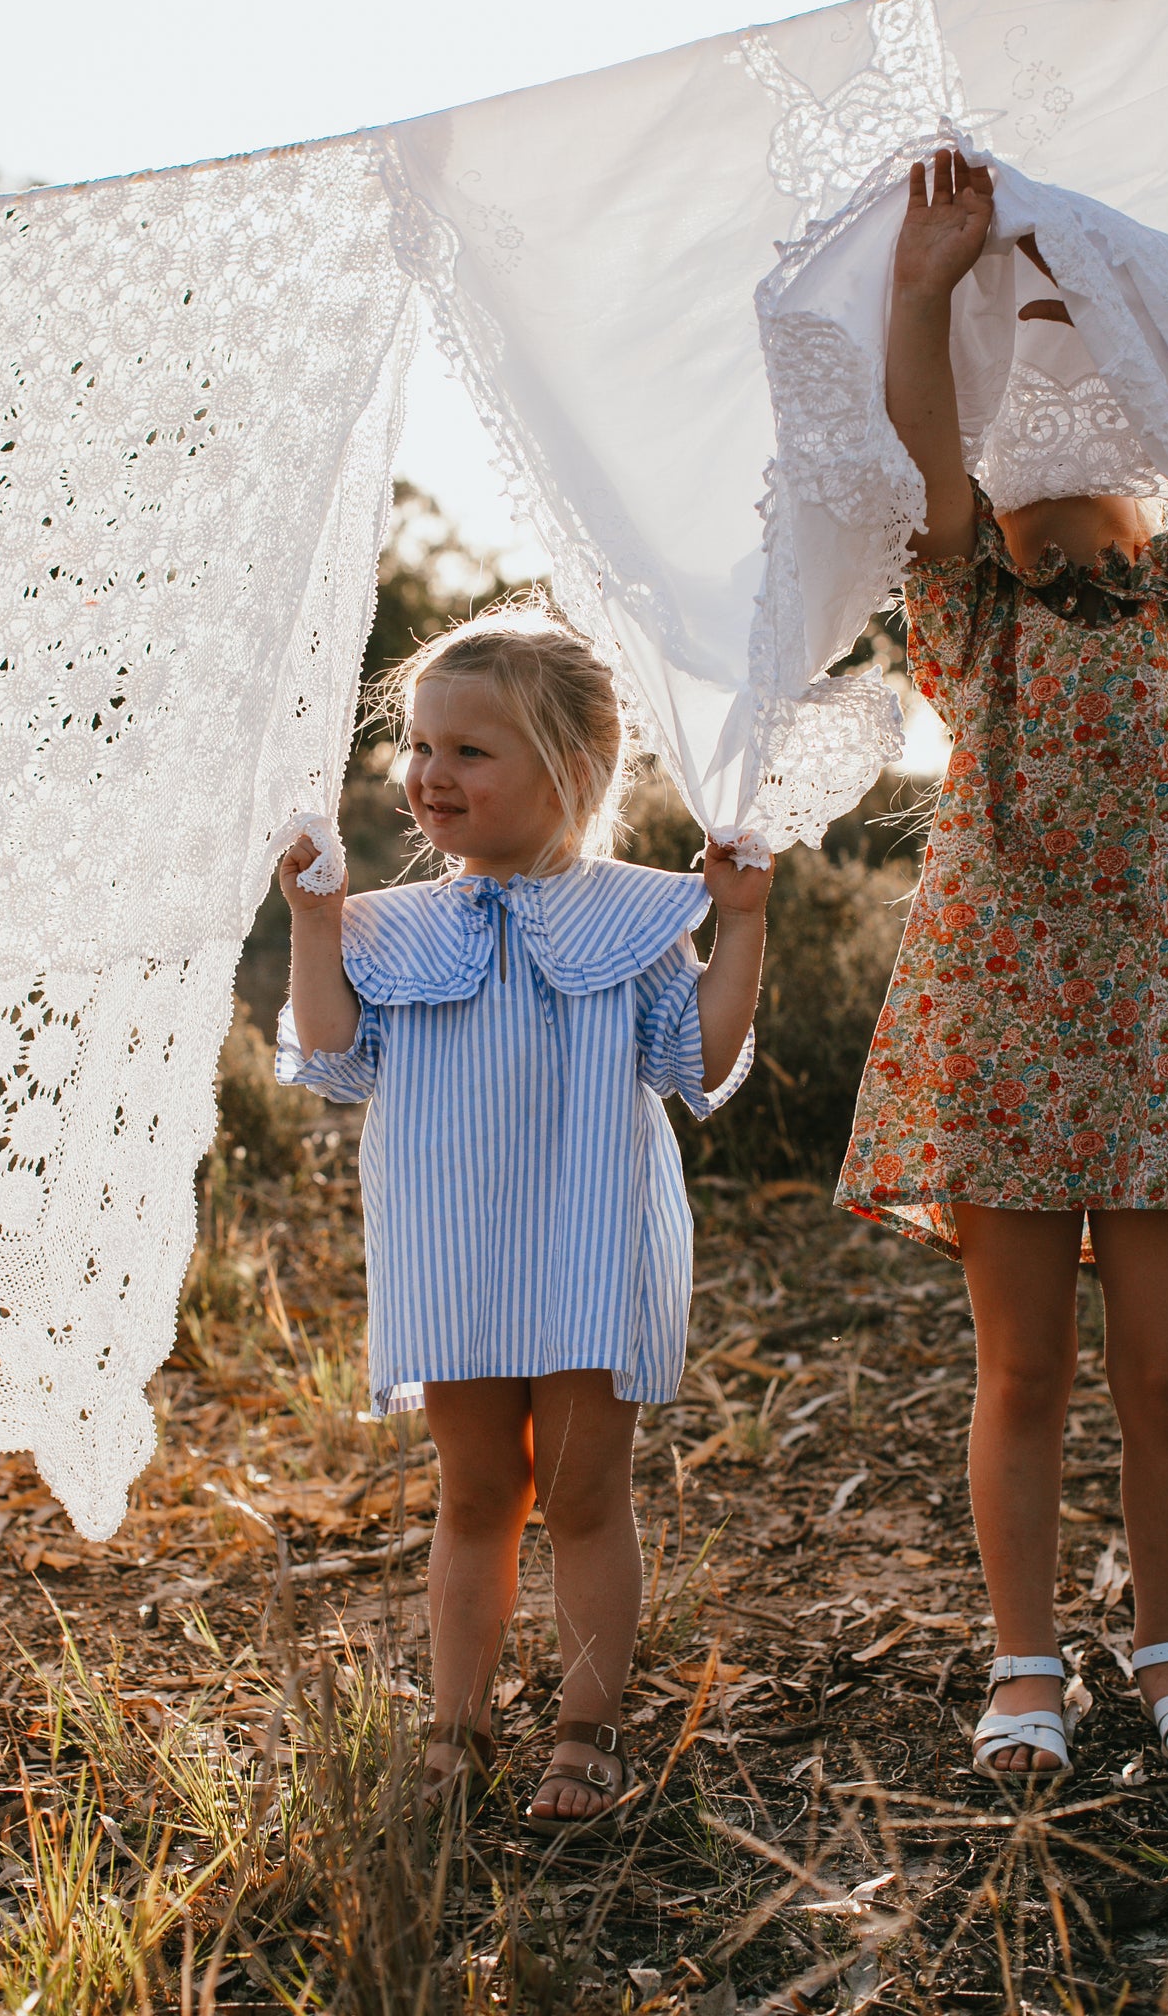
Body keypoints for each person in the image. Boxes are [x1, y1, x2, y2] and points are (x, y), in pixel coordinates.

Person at [837, 148, 1168, 1778]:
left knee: (1162, 1362)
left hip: (1167, 1027)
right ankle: (1026, 1663)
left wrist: (1131, 266)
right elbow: (923, 437)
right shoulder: (974, 603)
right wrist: (931, 284)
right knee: (1025, 1363)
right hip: (1001, 1018)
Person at [276, 600, 770, 1831]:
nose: (430, 774)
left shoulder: (632, 917)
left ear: (573, 770)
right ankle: (456, 1721)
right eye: (421, 746)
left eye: (468, 750)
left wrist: (742, 926)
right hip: (452, 1244)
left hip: (593, 1237)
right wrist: (310, 926)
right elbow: (332, 1055)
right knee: (476, 1488)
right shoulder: (390, 930)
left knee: (587, 1492)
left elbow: (692, 1059)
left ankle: (586, 1725)